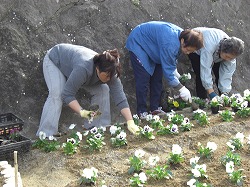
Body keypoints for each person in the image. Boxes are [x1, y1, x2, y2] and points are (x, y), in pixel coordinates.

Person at [36, 43, 139, 137]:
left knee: (103, 89)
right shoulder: (84, 68)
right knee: (57, 94)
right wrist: (83, 112)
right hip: (56, 61)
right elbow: (67, 94)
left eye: (110, 77)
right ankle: (45, 135)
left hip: (74, 68)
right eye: (106, 76)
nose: (109, 79)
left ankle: (98, 129)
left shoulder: (111, 71)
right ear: (98, 69)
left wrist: (130, 121)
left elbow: (120, 98)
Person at [125, 21, 203, 117]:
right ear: (183, 41)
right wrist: (181, 89)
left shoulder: (182, 37)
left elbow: (171, 59)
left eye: (191, 51)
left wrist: (174, 69)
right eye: (187, 50)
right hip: (139, 42)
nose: (187, 53)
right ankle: (142, 111)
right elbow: (168, 74)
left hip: (155, 48)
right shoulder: (171, 43)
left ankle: (155, 108)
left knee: (157, 78)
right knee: (143, 79)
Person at [188, 27, 244, 99]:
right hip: (196, 47)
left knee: (219, 73)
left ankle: (222, 98)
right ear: (222, 50)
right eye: (227, 56)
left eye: (231, 58)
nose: (228, 59)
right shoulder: (209, 45)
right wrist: (211, 93)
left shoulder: (232, 54)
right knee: (200, 73)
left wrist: (225, 93)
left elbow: (227, 74)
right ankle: (203, 100)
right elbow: (205, 68)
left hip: (216, 53)